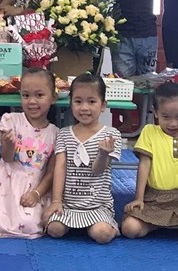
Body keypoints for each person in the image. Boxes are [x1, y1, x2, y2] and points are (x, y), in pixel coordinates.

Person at [0, 68, 58, 239]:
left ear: (53, 97)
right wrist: (8, 144)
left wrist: (37, 193)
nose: (32, 101)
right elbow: (7, 158)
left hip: (35, 186)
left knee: (31, 224)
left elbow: (51, 173)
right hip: (7, 183)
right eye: (26, 95)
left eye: (39, 95)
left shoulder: (55, 133)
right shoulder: (11, 120)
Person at [121, 81, 178, 240]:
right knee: (130, 228)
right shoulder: (149, 131)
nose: (173, 123)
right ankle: (158, 224)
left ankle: (173, 224)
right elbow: (144, 165)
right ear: (155, 113)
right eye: (166, 117)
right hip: (153, 199)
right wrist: (139, 198)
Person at [45, 74, 122, 244]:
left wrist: (103, 154)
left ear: (103, 105)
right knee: (54, 229)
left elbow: (98, 170)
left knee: (102, 234)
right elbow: (60, 168)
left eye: (91, 101)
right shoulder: (64, 133)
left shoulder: (111, 135)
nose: (84, 107)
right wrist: (56, 201)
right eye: (78, 101)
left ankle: (104, 224)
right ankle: (74, 224)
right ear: (71, 103)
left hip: (97, 206)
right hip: (69, 205)